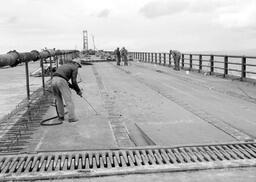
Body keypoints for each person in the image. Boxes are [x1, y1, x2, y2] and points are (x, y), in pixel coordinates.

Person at [52, 58, 82, 123]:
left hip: (53, 80)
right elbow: (74, 81)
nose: (78, 67)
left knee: (58, 99)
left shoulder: (64, 65)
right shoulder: (74, 67)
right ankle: (72, 118)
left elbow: (64, 79)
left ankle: (61, 117)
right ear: (76, 63)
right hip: (61, 81)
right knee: (68, 100)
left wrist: (73, 88)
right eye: (78, 66)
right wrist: (78, 91)